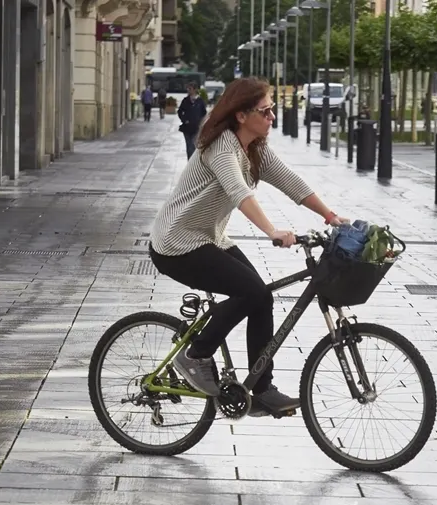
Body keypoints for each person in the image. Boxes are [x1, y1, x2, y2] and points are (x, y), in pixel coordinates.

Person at [148, 78, 348, 417]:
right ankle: (195, 355)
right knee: (252, 293)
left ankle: (261, 390)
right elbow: (241, 194)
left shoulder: (255, 147)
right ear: (241, 115)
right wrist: (272, 230)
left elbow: (290, 181)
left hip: (209, 237)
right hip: (176, 242)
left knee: (260, 296)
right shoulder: (222, 148)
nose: (272, 116)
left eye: (272, 110)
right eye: (265, 110)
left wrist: (330, 215)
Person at [178, 84, 208, 159]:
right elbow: (180, 111)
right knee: (189, 147)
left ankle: (194, 163)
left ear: (195, 90)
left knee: (194, 146)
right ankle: (189, 163)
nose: (188, 90)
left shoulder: (200, 101)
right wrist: (184, 120)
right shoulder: (185, 100)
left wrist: (201, 123)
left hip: (196, 128)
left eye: (190, 88)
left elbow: (204, 113)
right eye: (188, 88)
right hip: (187, 128)